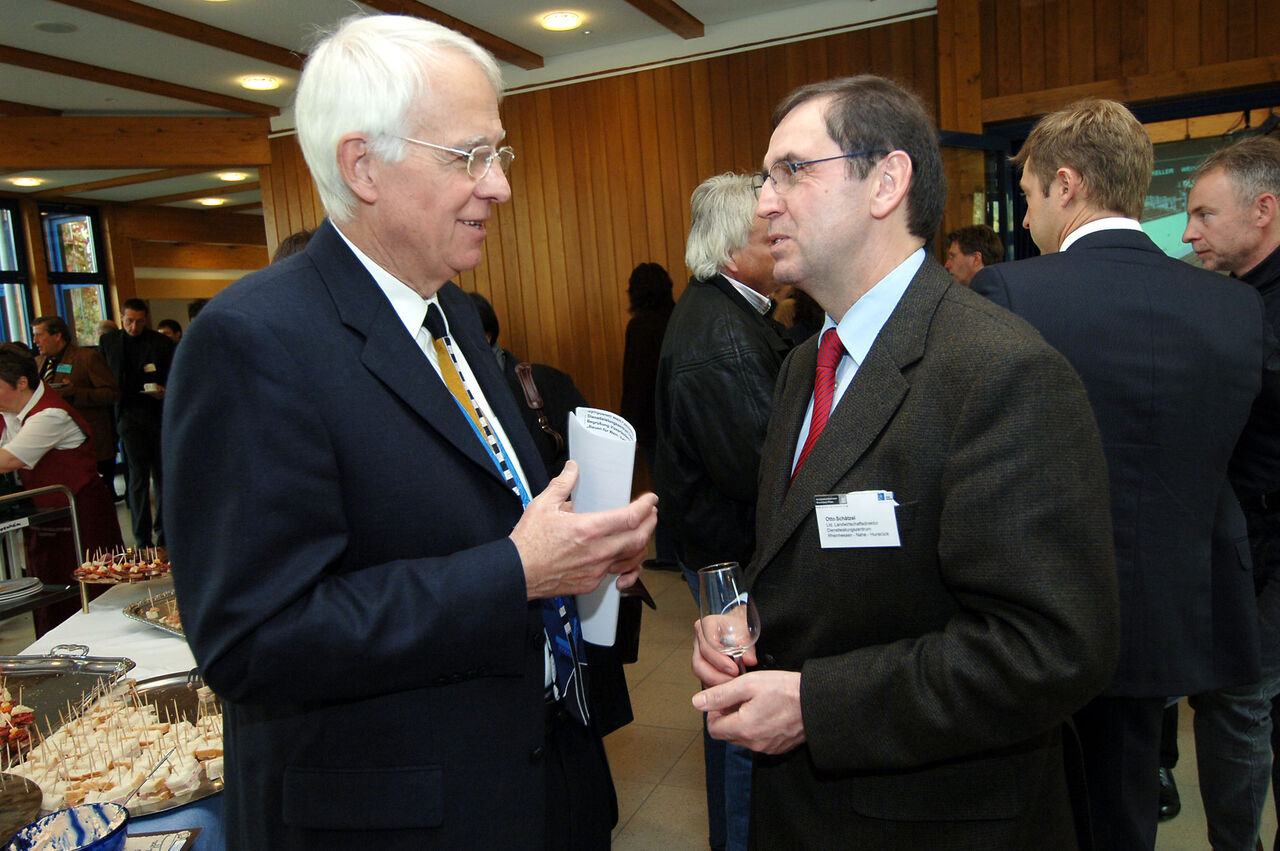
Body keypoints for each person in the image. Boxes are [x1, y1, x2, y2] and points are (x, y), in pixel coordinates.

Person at [162, 14, 657, 850]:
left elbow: (480, 508)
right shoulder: (253, 340)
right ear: (364, 166)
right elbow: (253, 638)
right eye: (470, 156)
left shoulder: (452, 313)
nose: (499, 185)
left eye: (501, 153)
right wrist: (518, 571)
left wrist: (584, 549)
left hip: (540, 786)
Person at [691, 75, 1120, 850]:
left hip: (934, 818)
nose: (764, 203)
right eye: (765, 177)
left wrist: (816, 704)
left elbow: (1051, 647)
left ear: (886, 181)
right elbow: (810, 558)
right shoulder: (805, 365)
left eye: (792, 170)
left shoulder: (1001, 370)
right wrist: (748, 618)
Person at [971, 99, 1278, 851]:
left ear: (1067, 185)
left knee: (1050, 802)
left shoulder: (1012, 292)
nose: (1028, 216)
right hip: (1180, 599)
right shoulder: (1235, 305)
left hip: (1048, 601)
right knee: (1126, 797)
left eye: (1032, 195)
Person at [654, 173, 790, 851]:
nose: (784, 238)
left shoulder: (734, 313)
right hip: (730, 559)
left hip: (724, 548)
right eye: (771, 232)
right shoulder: (721, 338)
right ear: (735, 250)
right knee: (742, 708)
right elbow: (764, 469)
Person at [1181, 134, 1280, 850]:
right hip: (1242, 539)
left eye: (1205, 215)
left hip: (1267, 541)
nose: (1188, 232)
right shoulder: (1226, 297)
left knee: (1240, 702)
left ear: (1263, 210)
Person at [0, 344, 122, 634]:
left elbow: (8, 459)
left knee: (90, 596)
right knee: (50, 592)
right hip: (47, 515)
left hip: (80, 513)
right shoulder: (12, 414)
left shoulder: (50, 415)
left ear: (21, 383)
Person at [100, 298, 174, 549]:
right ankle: (142, 539)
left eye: (139, 321)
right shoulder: (109, 342)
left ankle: (164, 533)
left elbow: (175, 376)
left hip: (157, 413)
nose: (134, 326)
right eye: (129, 321)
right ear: (121, 318)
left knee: (162, 476)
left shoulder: (161, 343)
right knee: (137, 477)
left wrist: (165, 390)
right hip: (128, 415)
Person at [620, 261, 678, 568]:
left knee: (661, 487)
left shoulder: (640, 327)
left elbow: (635, 382)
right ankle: (680, 554)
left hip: (654, 422)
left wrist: (630, 429)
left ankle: (668, 553)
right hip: (681, 419)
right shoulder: (678, 319)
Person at [31, 315, 120, 498]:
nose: (35, 341)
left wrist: (76, 392)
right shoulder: (38, 363)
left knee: (97, 501)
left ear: (57, 336)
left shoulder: (87, 358)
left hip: (89, 443)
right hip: (55, 446)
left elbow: (112, 393)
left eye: (40, 335)